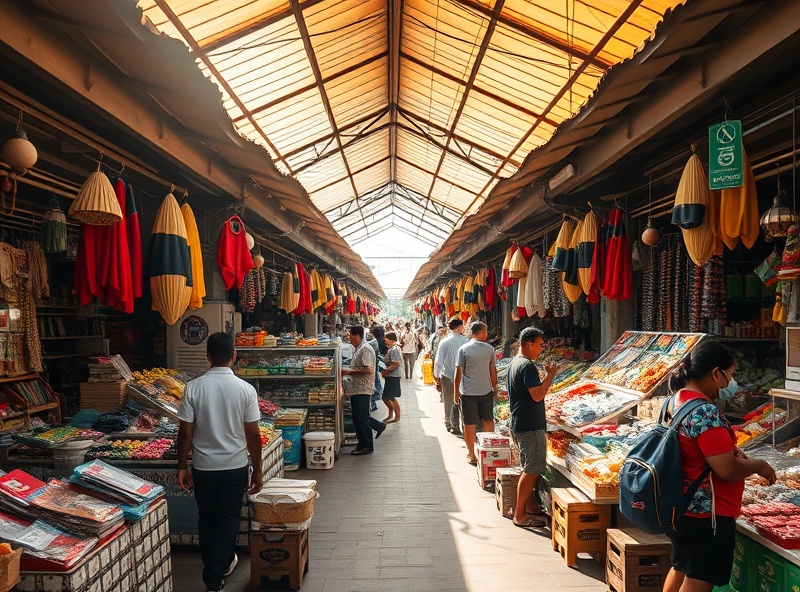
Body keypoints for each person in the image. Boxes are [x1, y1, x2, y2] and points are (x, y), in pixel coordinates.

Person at [663, 341, 776, 592]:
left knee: (681, 566)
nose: (732, 382)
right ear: (716, 373)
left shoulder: (675, 400)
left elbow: (694, 449)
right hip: (706, 513)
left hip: (681, 505)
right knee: (699, 576)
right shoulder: (704, 411)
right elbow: (726, 469)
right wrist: (760, 466)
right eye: (731, 374)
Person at [176, 332, 262, 592]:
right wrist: (257, 470)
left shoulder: (193, 388)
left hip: (203, 468)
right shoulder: (246, 390)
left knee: (207, 519)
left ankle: (216, 570)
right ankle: (215, 575)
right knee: (228, 520)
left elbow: (185, 433)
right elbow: (254, 435)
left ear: (208, 357)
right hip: (234, 467)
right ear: (234, 357)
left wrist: (182, 466)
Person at [507, 328, 558, 529]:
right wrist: (550, 375)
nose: (540, 349)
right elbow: (538, 395)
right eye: (539, 344)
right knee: (532, 469)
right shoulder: (527, 366)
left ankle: (530, 506)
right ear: (528, 344)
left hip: (520, 422)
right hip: (529, 425)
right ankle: (520, 515)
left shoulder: (515, 362)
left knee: (529, 468)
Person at [454, 321, 497, 465]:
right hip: (486, 391)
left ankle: (471, 453)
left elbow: (458, 372)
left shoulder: (463, 349)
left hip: (468, 392)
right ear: (483, 332)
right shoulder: (490, 349)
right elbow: (492, 370)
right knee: (488, 420)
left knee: (469, 423)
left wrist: (456, 392)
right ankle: (489, 451)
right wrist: (495, 388)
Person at [342, 325, 377, 455]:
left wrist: (349, 371)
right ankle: (362, 442)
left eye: (351, 336)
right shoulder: (358, 349)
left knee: (362, 418)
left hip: (362, 389)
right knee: (357, 417)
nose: (350, 339)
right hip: (356, 389)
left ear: (358, 336)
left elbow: (368, 369)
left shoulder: (365, 349)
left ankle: (367, 445)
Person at [433, 318, 468, 435]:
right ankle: (460, 424)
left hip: (447, 376)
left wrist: (436, 377)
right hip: (463, 377)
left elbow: (438, 361)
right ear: (459, 326)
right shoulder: (466, 341)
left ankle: (449, 422)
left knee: (449, 401)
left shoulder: (444, 342)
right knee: (461, 401)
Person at [380, 332, 403, 423]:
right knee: (386, 397)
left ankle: (397, 416)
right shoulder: (391, 349)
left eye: (386, 338)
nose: (385, 340)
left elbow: (396, 364)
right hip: (391, 376)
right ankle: (391, 413)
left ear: (391, 339)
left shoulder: (395, 349)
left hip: (394, 376)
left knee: (390, 397)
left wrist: (386, 371)